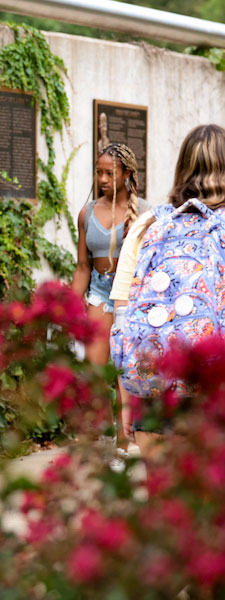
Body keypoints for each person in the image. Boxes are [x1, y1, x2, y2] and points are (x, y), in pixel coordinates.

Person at [110, 124, 225, 459]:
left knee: (164, 505)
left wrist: (127, 402)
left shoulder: (148, 226)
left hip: (156, 395)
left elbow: (123, 319)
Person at [71, 142, 142, 451]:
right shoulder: (87, 213)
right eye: (98, 172)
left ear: (126, 173)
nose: (102, 179)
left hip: (130, 297)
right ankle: (88, 439)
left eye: (109, 173)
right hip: (100, 293)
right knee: (94, 369)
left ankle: (123, 441)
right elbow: (83, 266)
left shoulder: (144, 212)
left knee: (124, 373)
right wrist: (69, 309)